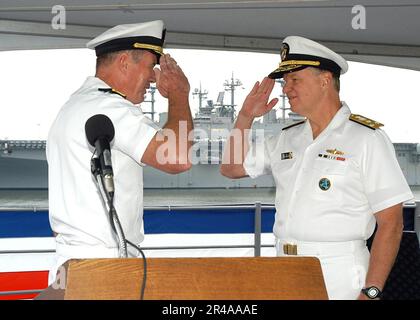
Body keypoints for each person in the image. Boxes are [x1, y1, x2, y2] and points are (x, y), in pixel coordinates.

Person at [220, 36, 413, 300]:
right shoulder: (286, 138)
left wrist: (371, 291)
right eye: (285, 81)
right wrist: (245, 117)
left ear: (325, 80)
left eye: (294, 80)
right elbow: (231, 168)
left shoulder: (367, 139)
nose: (286, 89)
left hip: (339, 274)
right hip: (283, 268)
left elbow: (391, 223)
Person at [46, 20, 193, 284]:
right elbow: (177, 157)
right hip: (103, 267)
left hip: (75, 263)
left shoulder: (75, 105)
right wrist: (179, 95)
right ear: (125, 62)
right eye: (150, 67)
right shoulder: (110, 108)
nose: (152, 77)